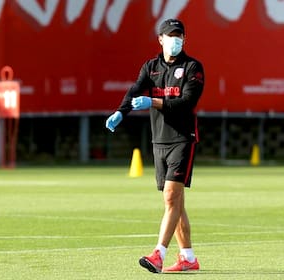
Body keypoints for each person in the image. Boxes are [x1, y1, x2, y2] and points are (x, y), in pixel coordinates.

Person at [105, 18, 204, 273]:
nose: (175, 40)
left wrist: (153, 103)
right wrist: (121, 112)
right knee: (175, 201)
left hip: (183, 138)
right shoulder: (151, 67)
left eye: (178, 35)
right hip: (159, 139)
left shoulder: (193, 67)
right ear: (160, 39)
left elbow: (186, 102)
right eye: (170, 35)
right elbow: (135, 90)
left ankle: (158, 254)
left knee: (172, 196)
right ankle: (188, 258)